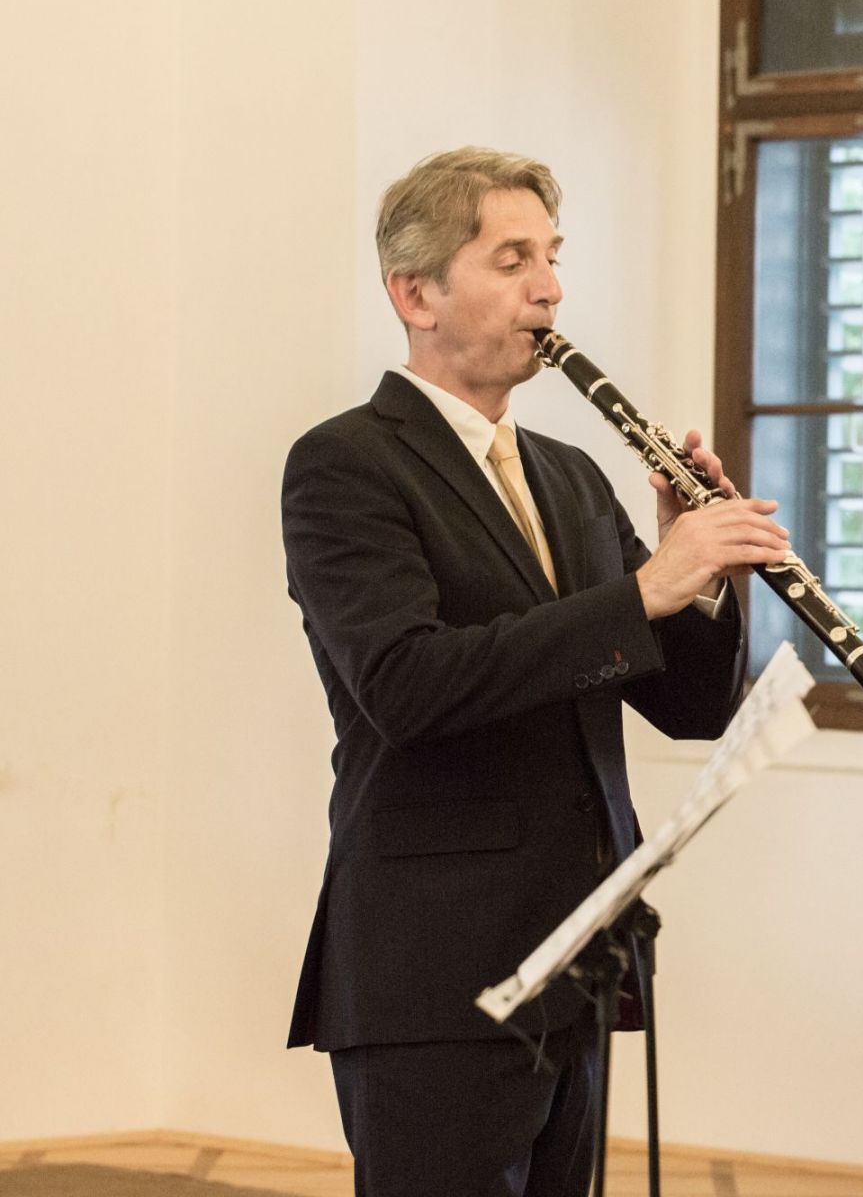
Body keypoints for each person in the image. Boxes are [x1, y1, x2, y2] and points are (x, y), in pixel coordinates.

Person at [280, 147, 791, 1196]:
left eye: (552, 256)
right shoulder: (346, 464)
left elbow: (690, 708)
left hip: (577, 959)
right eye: (511, 260)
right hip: (435, 970)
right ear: (415, 294)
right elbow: (407, 686)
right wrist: (641, 591)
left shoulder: (571, 475)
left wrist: (695, 579)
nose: (550, 287)